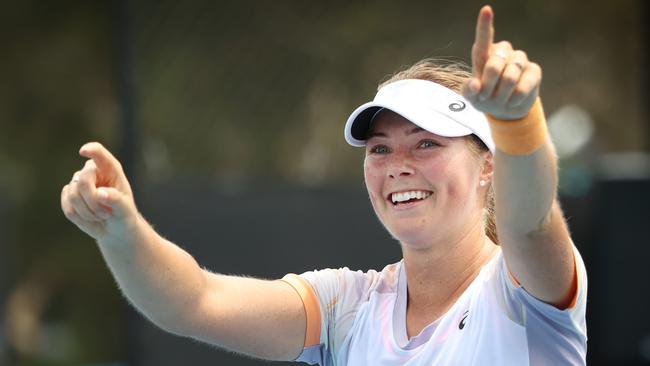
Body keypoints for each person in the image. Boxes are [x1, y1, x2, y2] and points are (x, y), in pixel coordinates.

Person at [60, 5, 587, 365]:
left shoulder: (522, 292)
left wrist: (518, 124)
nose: (397, 164)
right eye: (379, 149)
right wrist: (121, 229)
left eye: (426, 143)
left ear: (488, 164)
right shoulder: (348, 305)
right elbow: (195, 301)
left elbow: (532, 219)